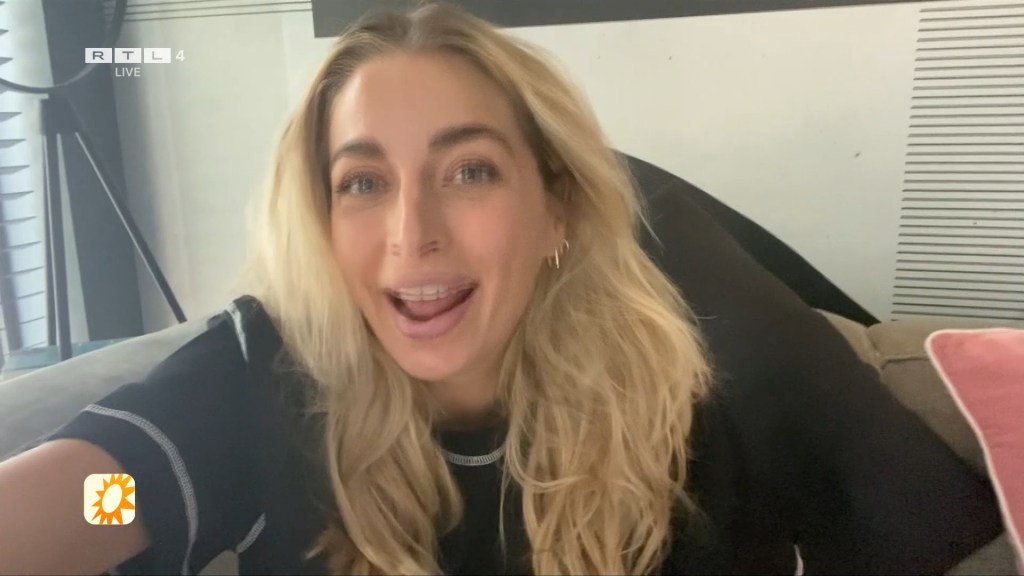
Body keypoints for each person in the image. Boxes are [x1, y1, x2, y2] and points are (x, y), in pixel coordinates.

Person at [0, 3, 1003, 575]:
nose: (412, 233)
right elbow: (104, 492)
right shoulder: (264, 378)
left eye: (469, 170)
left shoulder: (680, 406)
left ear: (554, 208)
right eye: (362, 183)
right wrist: (110, 504)